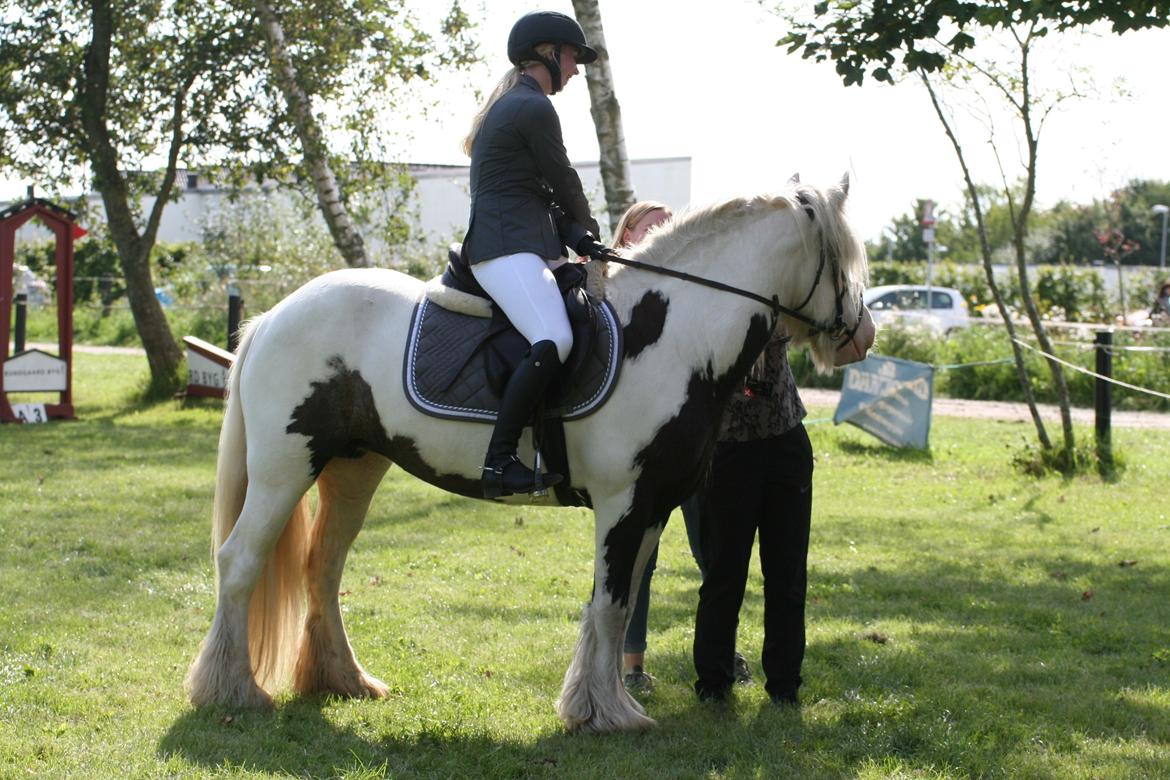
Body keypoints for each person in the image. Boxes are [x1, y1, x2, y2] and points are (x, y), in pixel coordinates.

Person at [455, 11, 605, 499]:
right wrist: (591, 228)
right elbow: (564, 182)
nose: (576, 69)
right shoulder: (533, 107)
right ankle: (498, 462)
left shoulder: (518, 104)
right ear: (548, 54)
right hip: (504, 248)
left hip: (520, 242)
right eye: (572, 58)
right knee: (554, 336)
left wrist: (579, 240)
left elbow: (537, 195)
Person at [692, 332, 814, 708]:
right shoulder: (716, 292)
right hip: (728, 447)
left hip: (786, 438)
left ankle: (784, 687)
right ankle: (713, 684)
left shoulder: (784, 288)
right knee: (724, 573)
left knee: (787, 575)